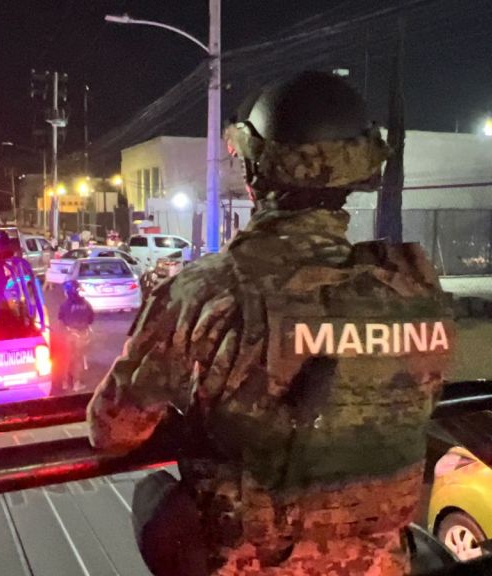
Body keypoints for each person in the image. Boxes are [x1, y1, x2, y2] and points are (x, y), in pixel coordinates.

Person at [88, 71, 452, 575]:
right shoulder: (412, 290)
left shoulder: (204, 290)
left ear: (255, 171)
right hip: (382, 565)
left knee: (154, 493)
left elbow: (111, 430)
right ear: (359, 171)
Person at [57, 279, 94, 393]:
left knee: (66, 358)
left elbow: (61, 320)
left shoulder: (65, 305)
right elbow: (91, 319)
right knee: (78, 359)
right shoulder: (85, 304)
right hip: (82, 335)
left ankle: (64, 383)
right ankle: (76, 384)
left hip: (68, 334)